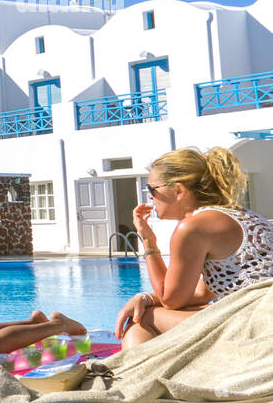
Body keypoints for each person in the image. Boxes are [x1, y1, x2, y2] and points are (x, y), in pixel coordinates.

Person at [115, 146, 273, 349]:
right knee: (146, 311)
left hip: (256, 326)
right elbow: (201, 293)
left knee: (144, 319)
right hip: (261, 315)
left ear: (179, 190)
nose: (150, 197)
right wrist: (145, 297)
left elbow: (172, 300)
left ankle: (131, 379)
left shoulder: (192, 227)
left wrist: (147, 241)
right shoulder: (243, 216)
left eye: (152, 189)